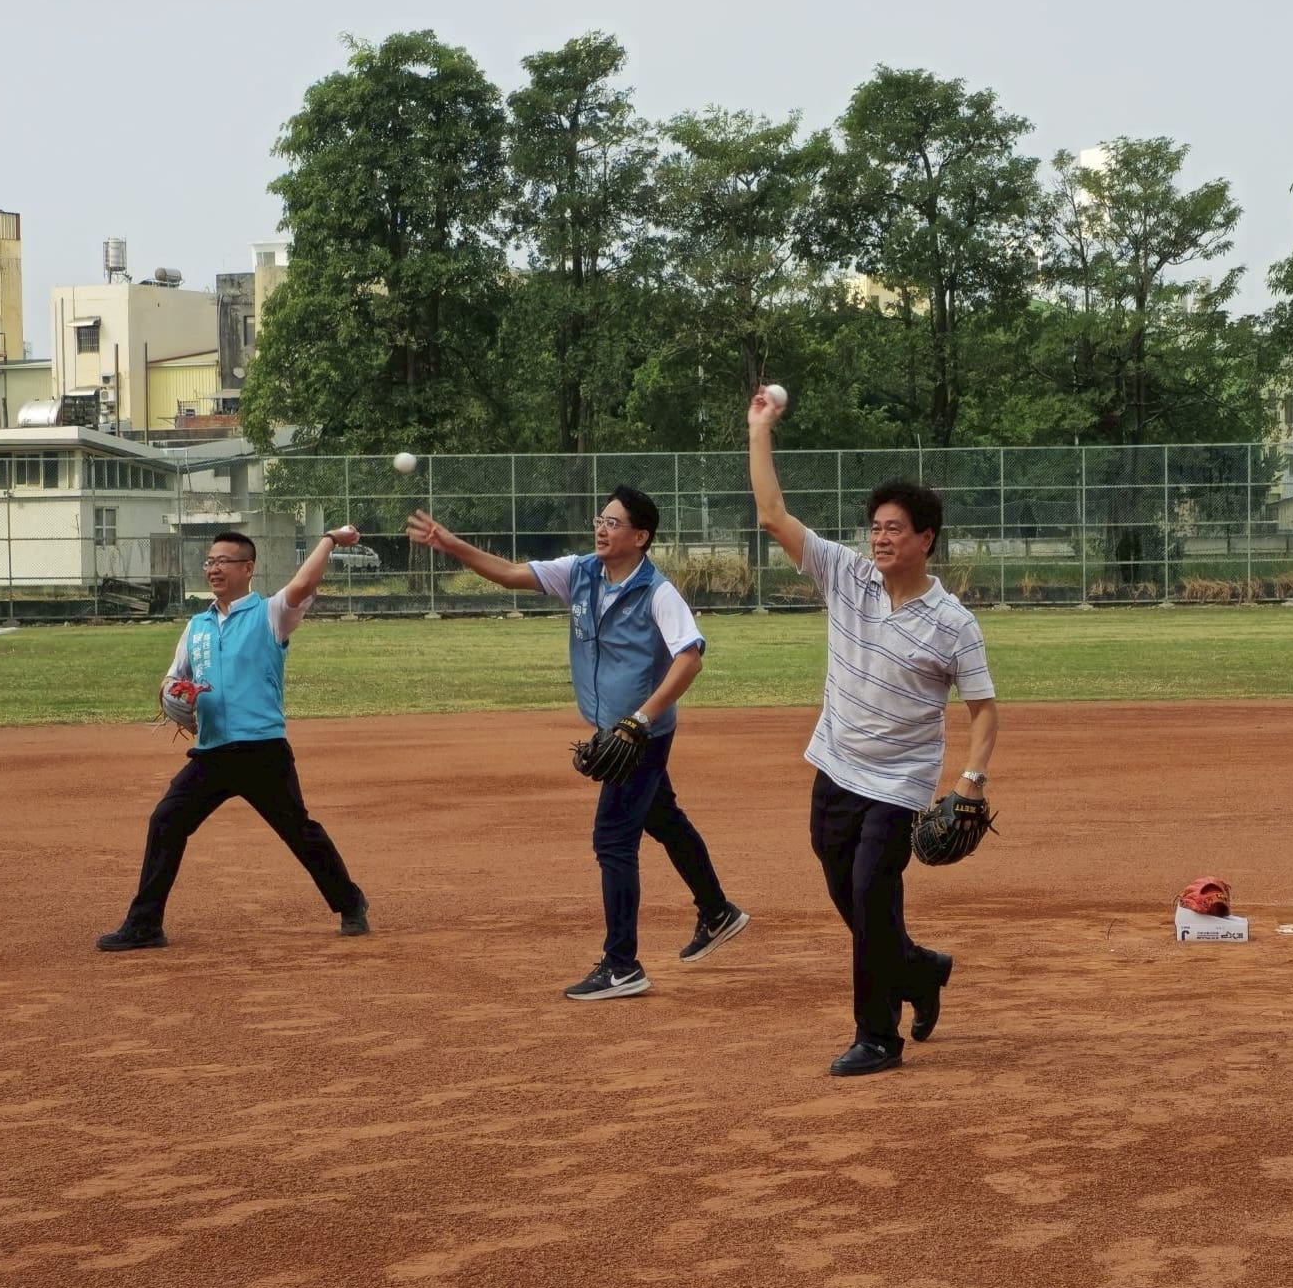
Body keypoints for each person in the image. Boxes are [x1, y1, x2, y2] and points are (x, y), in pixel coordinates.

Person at [406, 487, 747, 999]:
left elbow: (690, 657)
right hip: (612, 731)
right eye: (600, 519)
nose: (601, 529)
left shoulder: (657, 592)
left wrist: (638, 721)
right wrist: (453, 545)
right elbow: (510, 574)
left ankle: (622, 965)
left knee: (613, 841)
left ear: (640, 536)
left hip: (640, 738)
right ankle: (717, 911)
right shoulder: (581, 572)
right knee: (663, 818)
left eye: (613, 522)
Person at [747, 387, 998, 1077]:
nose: (880, 537)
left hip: (899, 783)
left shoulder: (952, 623)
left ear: (925, 539)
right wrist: (758, 428)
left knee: (869, 894)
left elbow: (982, 709)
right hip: (834, 766)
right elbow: (771, 514)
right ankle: (918, 968)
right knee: (846, 896)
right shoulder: (847, 577)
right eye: (875, 527)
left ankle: (876, 1037)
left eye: (895, 528)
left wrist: (969, 781)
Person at [96, 529, 371, 951]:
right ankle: (145, 924)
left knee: (299, 832)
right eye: (209, 561)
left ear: (248, 568)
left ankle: (350, 901)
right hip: (211, 753)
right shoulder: (197, 626)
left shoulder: (270, 614)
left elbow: (304, 584)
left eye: (223, 561)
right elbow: (174, 678)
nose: (214, 568)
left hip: (262, 751)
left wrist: (330, 540)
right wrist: (173, 693)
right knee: (166, 822)